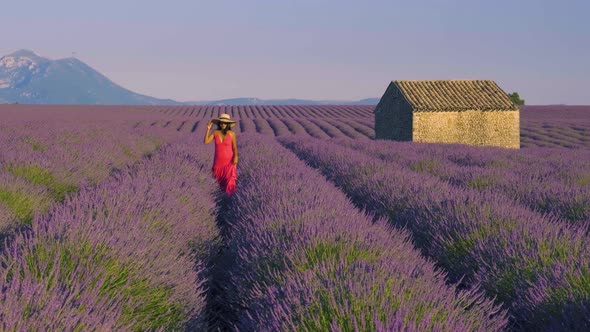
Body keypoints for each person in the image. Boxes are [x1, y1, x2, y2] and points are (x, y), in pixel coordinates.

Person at [204, 113, 238, 195]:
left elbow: (234, 147)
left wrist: (236, 156)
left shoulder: (232, 134)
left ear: (228, 124)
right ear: (219, 123)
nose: (223, 124)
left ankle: (229, 199)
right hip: (218, 162)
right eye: (222, 122)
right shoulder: (215, 132)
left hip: (229, 161)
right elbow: (206, 142)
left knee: (230, 180)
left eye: (225, 123)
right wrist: (208, 129)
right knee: (218, 181)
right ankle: (221, 199)